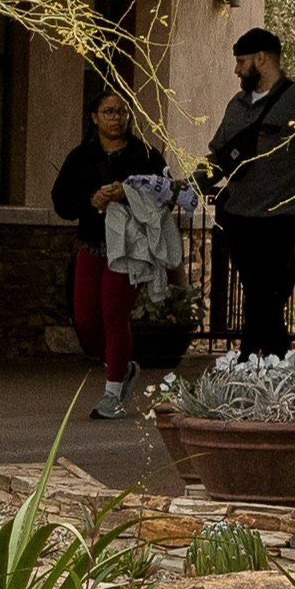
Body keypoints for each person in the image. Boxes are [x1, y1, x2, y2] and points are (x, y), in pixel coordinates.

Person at [198, 22, 295, 357]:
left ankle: (255, 359)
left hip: (283, 219)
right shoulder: (237, 105)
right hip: (239, 217)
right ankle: (269, 362)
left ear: (262, 58)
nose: (237, 70)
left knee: (265, 296)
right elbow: (219, 157)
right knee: (257, 296)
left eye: (242, 61)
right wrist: (187, 185)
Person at [48, 86, 169, 416]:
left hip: (129, 249)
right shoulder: (80, 157)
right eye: (109, 112)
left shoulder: (145, 156)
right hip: (93, 244)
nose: (117, 118)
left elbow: (165, 196)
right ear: (94, 117)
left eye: (122, 112)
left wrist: (127, 195)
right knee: (86, 320)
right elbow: (61, 202)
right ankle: (122, 366)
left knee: (115, 316)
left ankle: (112, 393)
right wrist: (92, 200)